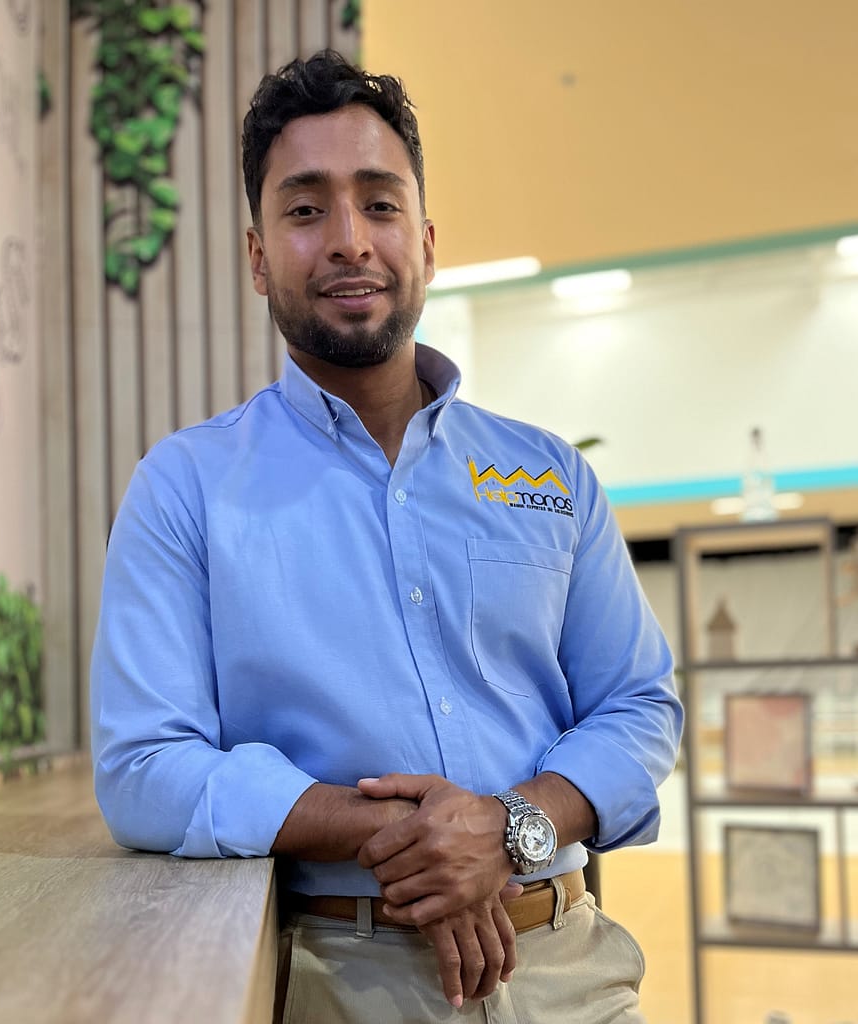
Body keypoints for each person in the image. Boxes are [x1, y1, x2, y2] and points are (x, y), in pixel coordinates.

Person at [91, 49, 683, 1024]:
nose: (348, 240)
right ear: (256, 258)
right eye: (305, 209)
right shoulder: (186, 489)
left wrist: (507, 826)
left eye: (379, 203)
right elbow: (143, 768)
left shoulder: (549, 476)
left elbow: (638, 703)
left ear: (427, 242)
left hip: (569, 968)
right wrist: (395, 833)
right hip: (338, 976)